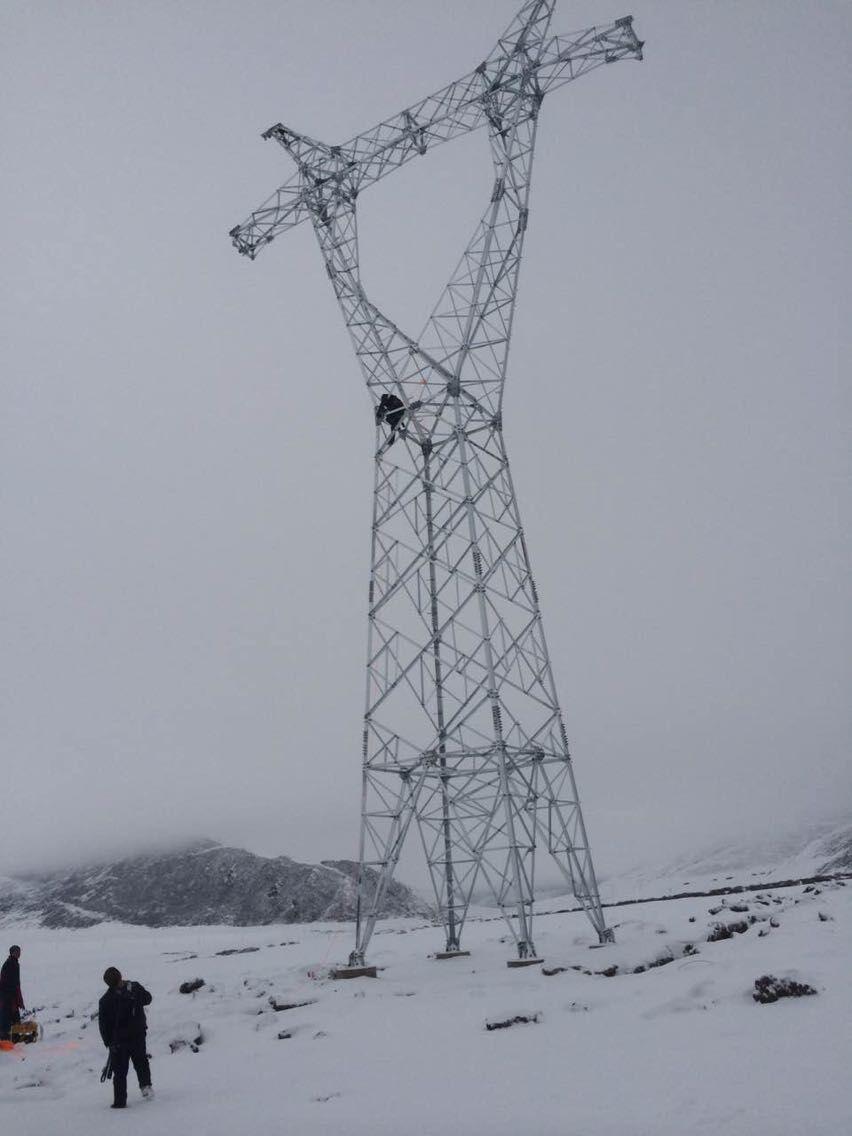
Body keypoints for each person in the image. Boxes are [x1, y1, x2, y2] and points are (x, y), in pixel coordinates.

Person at [98, 967, 153, 1108]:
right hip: (135, 1035)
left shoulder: (105, 1000)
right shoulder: (133, 987)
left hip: (120, 1040)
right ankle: (146, 1087)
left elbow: (103, 1026)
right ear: (120, 976)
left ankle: (120, 1101)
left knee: (120, 1071)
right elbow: (148, 999)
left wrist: (108, 1043)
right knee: (141, 1063)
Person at [0, 945, 24, 1041]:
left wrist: (19, 999)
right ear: (12, 953)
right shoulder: (10, 964)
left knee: (14, 1017)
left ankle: (15, 1037)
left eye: (19, 951)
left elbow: (16, 983)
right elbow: (10, 983)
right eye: (17, 952)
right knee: (7, 1017)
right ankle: (5, 1038)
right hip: (7, 996)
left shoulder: (13, 963)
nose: (19, 953)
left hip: (11, 995)